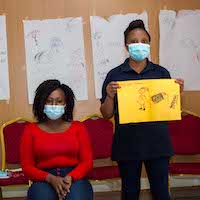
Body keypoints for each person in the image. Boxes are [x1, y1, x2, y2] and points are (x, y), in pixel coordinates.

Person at [100, 20, 184, 200]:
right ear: (126, 45)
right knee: (130, 192)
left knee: (161, 191)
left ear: (149, 44)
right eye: (134, 40)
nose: (140, 45)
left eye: (144, 41)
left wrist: (176, 94)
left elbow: (170, 108)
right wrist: (109, 96)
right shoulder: (114, 75)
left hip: (157, 143)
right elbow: (106, 114)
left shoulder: (161, 73)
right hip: (127, 144)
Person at [20, 79, 93, 200]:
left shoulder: (78, 127)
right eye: (49, 101)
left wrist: (70, 177)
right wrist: (50, 178)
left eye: (59, 101)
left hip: (74, 177)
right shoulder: (30, 130)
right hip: (43, 178)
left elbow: (87, 162)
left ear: (66, 104)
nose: (54, 105)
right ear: (41, 103)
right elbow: (27, 166)